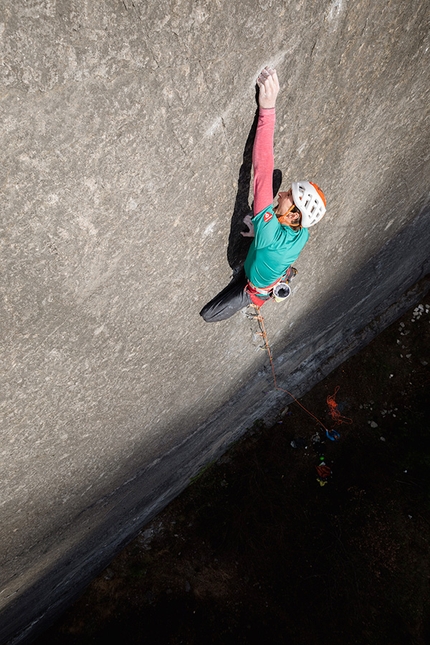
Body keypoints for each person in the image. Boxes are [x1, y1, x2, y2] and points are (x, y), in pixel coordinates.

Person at [200, 65, 326, 323]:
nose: (280, 194)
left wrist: (267, 108)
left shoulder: (274, 232)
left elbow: (262, 171)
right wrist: (259, 232)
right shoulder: (302, 233)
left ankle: (253, 298)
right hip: (270, 269)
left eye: (288, 196)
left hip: (253, 288)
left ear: (293, 216)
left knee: (209, 314)